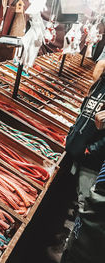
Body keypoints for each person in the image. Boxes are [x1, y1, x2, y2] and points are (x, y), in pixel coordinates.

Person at [61, 60, 105, 263]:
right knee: (76, 197)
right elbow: (84, 111)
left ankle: (71, 250)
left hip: (91, 161)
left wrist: (91, 152)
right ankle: (68, 243)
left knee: (84, 204)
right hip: (79, 150)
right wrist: (73, 133)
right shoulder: (98, 84)